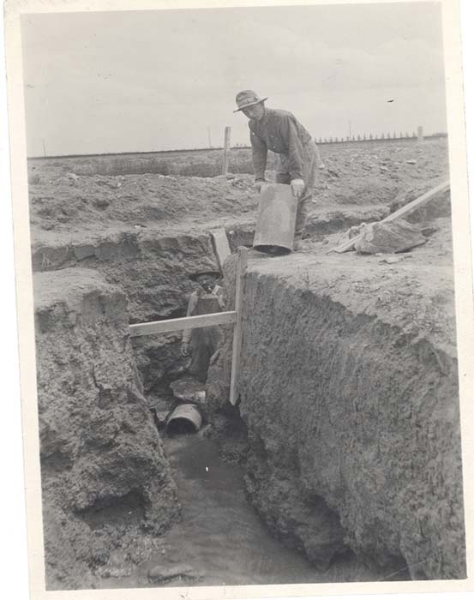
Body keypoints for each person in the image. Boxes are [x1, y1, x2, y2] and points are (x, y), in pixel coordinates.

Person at [234, 90, 325, 250]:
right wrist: (259, 178)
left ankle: (295, 240)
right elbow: (258, 151)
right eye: (245, 111)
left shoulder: (282, 118)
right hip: (282, 154)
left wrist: (297, 176)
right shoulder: (253, 125)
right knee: (281, 194)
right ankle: (280, 239)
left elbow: (294, 145)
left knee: (300, 194)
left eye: (252, 108)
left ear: (262, 104)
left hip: (303, 151)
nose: (250, 113)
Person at [181, 272, 225, 383]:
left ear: (214, 278)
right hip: (199, 336)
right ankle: (201, 385)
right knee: (199, 362)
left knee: (219, 361)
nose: (204, 282)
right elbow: (189, 318)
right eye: (201, 280)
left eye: (207, 279)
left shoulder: (223, 294)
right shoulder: (195, 296)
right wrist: (185, 341)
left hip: (218, 335)